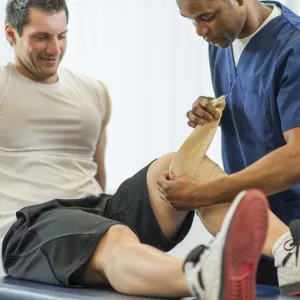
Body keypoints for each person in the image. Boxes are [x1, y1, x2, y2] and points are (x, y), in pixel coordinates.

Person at [0, 1, 272, 300]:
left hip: (93, 208)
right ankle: (205, 276)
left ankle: (289, 254)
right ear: (11, 34)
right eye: (42, 37)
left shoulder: (93, 91)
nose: (54, 48)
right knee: (114, 236)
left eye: (61, 35)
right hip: (28, 226)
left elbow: (96, 170)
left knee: (176, 164)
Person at [158, 0, 300, 296]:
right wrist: (212, 108)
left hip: (292, 225)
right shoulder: (222, 40)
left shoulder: (293, 46)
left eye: (206, 17)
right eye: (190, 20)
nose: (199, 30)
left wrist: (204, 193)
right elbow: (256, 103)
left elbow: (297, 157)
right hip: (250, 227)